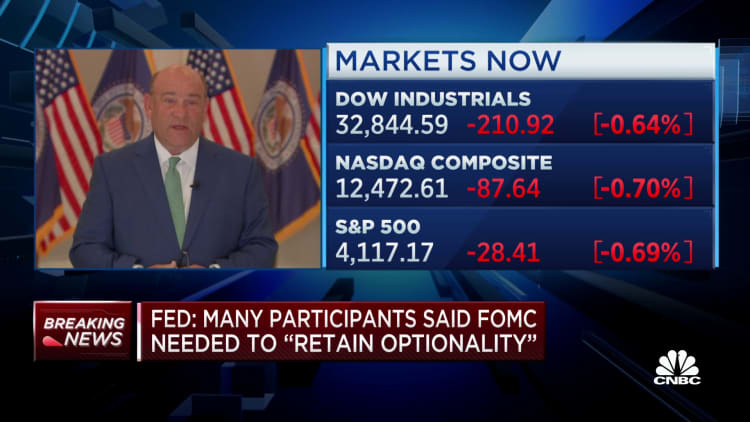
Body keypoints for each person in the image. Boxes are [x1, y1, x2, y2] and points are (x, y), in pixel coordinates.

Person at [70, 65, 277, 268]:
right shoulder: (112, 169)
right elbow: (85, 249)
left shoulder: (242, 170)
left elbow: (263, 248)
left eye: (192, 102)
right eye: (170, 100)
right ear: (149, 105)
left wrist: (215, 273)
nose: (181, 113)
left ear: (205, 108)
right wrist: (137, 275)